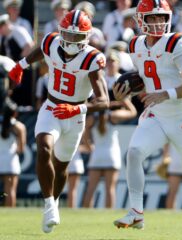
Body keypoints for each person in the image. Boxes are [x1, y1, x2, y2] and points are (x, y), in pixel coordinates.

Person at [112, 0, 182, 229]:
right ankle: (136, 212)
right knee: (134, 153)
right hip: (156, 114)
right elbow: (146, 79)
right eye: (152, 18)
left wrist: (165, 94)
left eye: (161, 18)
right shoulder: (135, 46)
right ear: (140, 20)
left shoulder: (175, 42)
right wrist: (122, 94)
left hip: (181, 115)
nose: (157, 23)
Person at [7, 10, 109, 233]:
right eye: (68, 35)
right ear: (61, 32)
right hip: (51, 107)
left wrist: (76, 108)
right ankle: (49, 205)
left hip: (75, 115)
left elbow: (103, 101)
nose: (71, 41)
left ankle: (54, 200)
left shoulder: (92, 58)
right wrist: (20, 65)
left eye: (76, 37)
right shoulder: (52, 41)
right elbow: (40, 51)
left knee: (62, 164)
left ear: (86, 37)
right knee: (44, 149)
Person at [83, 100, 137, 208]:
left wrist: (89, 147)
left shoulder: (91, 118)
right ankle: (108, 214)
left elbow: (84, 133)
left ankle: (85, 213)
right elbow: (133, 112)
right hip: (112, 155)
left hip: (97, 155)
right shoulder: (113, 116)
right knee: (110, 189)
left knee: (90, 189)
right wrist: (124, 100)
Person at [0, 98, 26, 207]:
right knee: (10, 190)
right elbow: (21, 149)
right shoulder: (19, 127)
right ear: (15, 113)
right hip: (11, 162)